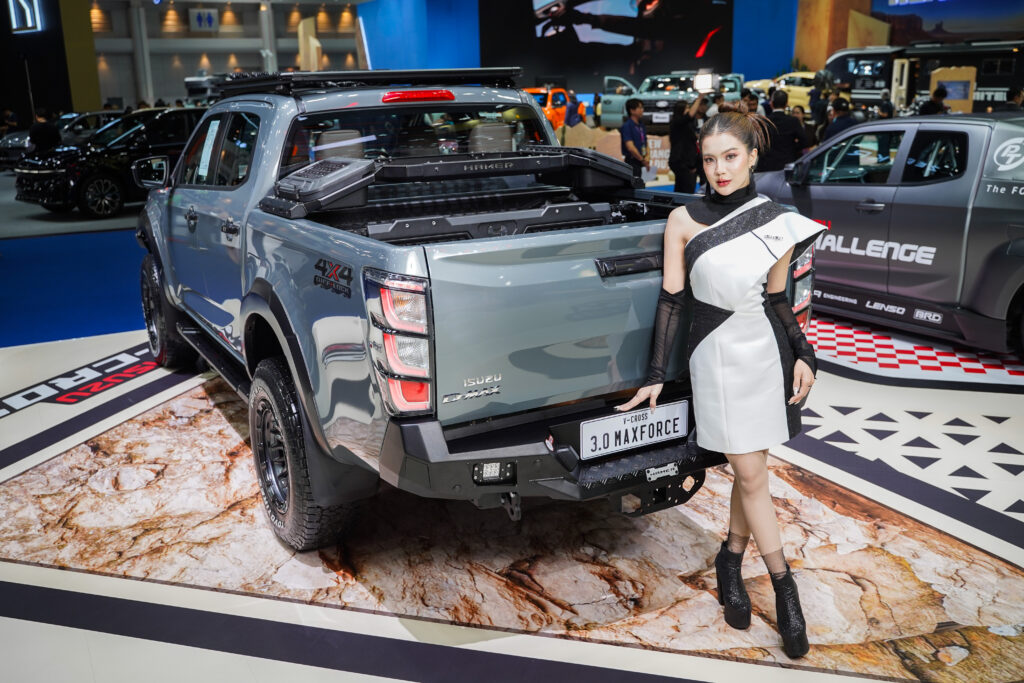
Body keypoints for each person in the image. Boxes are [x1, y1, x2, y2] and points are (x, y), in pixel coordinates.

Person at [617, 101, 825, 660]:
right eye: (710, 160)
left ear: (753, 157)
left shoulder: (776, 218)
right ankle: (785, 590)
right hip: (715, 355)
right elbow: (671, 300)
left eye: (730, 157)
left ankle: (730, 558)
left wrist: (805, 355)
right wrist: (655, 375)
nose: (720, 170)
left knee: (750, 468)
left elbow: (778, 300)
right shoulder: (683, 220)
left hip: (763, 353)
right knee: (751, 471)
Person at [759, 90, 807, 171]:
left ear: (771, 104)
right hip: (787, 164)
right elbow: (804, 142)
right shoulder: (793, 121)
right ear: (786, 104)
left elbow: (758, 143)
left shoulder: (764, 121)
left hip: (767, 165)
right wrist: (793, 148)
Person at [669, 97, 706, 193]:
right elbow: (690, 115)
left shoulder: (687, 124)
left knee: (681, 188)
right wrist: (700, 97)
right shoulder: (677, 122)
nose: (689, 110)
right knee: (686, 189)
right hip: (682, 162)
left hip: (688, 161)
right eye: (687, 108)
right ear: (681, 110)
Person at [621, 98, 650, 182]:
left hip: (641, 160)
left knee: (641, 185)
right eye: (640, 108)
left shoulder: (641, 125)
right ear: (632, 110)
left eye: (642, 108)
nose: (642, 110)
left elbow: (645, 142)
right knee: (634, 185)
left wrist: (647, 157)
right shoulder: (627, 126)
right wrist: (642, 160)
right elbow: (630, 147)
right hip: (632, 162)